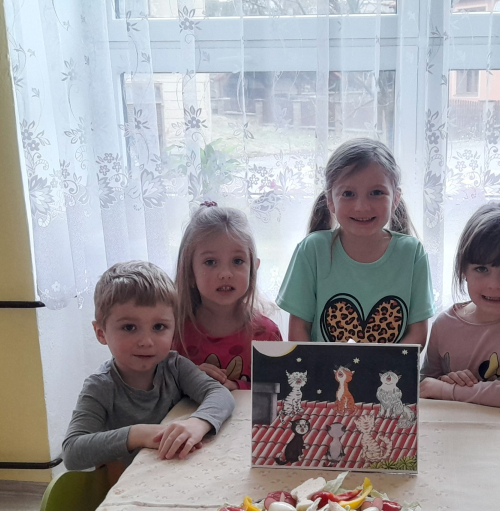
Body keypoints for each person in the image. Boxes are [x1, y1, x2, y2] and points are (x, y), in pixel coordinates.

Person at [62, 261, 235, 471]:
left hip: (183, 471)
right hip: (132, 485)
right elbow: (72, 452)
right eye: (129, 327)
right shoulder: (100, 387)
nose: (146, 341)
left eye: (159, 327)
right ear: (101, 333)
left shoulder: (175, 366)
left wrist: (198, 423)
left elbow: (220, 394)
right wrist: (138, 434)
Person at [276, 138, 434, 346]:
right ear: (330, 201)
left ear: (395, 198)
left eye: (376, 193)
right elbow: (299, 331)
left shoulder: (412, 253)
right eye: (348, 194)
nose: (362, 207)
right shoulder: (312, 250)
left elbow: (418, 334)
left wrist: (379, 365)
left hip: (391, 369)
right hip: (323, 368)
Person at [419, 201, 500, 408]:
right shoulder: (443, 325)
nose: (494, 285)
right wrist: (445, 382)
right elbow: (426, 388)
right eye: (481, 269)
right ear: (463, 270)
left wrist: (449, 391)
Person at [172, 201, 283, 390]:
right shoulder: (174, 333)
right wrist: (188, 378)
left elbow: (279, 389)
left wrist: (236, 387)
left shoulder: (267, 334)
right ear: (189, 272)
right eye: (210, 262)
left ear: (253, 269)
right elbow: (157, 389)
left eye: (237, 261)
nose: (225, 274)